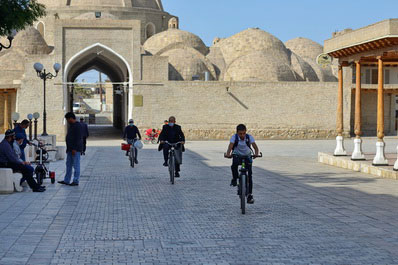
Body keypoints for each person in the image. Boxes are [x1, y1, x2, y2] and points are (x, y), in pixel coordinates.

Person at [225, 124, 260, 204]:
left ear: (245, 132)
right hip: (237, 155)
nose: (242, 135)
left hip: (247, 155)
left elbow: (255, 147)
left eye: (244, 133)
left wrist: (256, 154)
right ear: (237, 133)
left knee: (250, 175)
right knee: (234, 166)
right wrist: (228, 154)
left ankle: (249, 195)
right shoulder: (234, 137)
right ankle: (235, 179)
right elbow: (230, 146)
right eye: (240, 134)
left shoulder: (249, 137)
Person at [58, 112, 83, 186]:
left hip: (75, 150)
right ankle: (67, 180)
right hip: (70, 149)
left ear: (71, 118)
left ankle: (75, 181)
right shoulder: (71, 126)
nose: (67, 121)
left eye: (68, 119)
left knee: (76, 165)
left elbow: (78, 138)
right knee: (68, 165)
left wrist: (74, 149)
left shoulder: (77, 126)